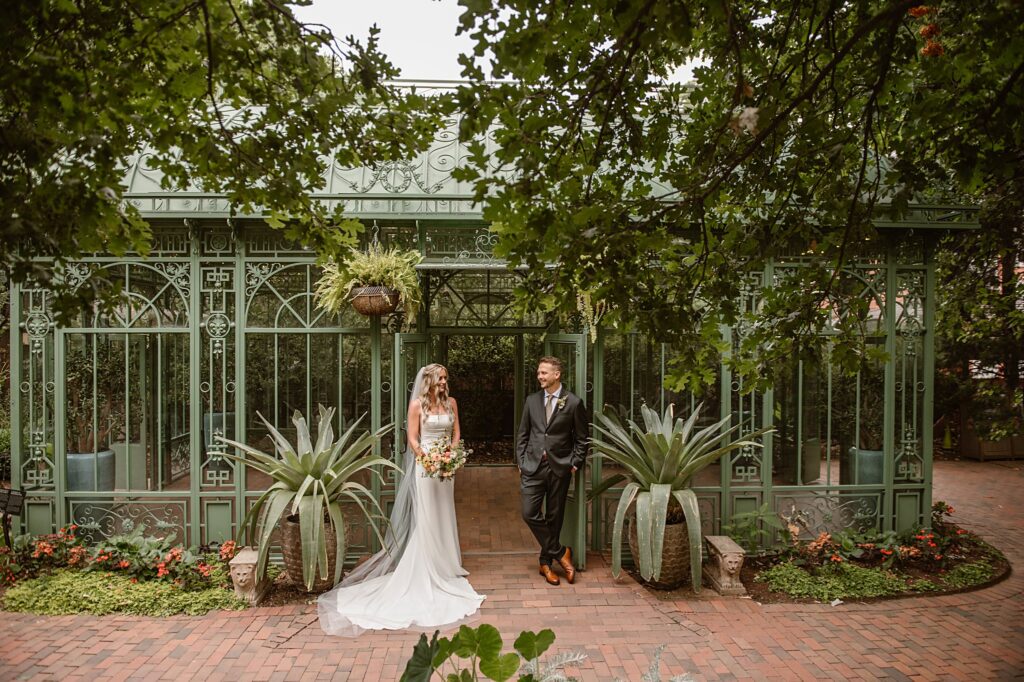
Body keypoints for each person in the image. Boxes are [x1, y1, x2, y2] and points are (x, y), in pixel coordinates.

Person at [318, 363, 485, 636]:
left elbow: (456, 434)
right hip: (426, 466)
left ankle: (448, 562)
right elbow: (412, 440)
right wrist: (429, 460)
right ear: (429, 380)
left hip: (446, 468)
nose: (444, 382)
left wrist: (451, 456)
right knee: (429, 515)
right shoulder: (418, 405)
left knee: (445, 512)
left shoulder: (452, 403)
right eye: (440, 378)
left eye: (446, 378)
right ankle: (430, 564)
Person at [516, 356, 589, 586]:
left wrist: (574, 463)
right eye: (539, 372)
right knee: (529, 512)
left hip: (560, 467)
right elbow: (523, 434)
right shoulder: (532, 401)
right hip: (532, 466)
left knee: (554, 517)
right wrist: (520, 461)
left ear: (557, 375)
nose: (540, 376)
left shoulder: (574, 403)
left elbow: (582, 439)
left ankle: (545, 563)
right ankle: (561, 552)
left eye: (544, 373)